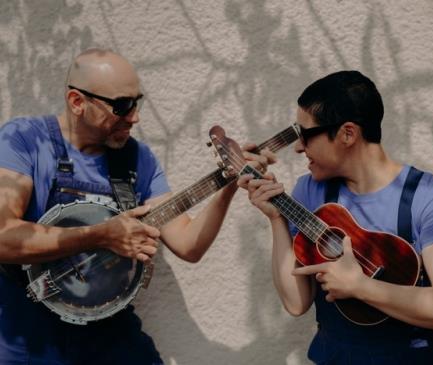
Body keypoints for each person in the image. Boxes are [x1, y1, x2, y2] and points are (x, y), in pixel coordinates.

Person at [0, 48, 270, 364]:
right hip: (27, 337)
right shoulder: (25, 141)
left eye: (136, 102)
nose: (135, 116)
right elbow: (4, 237)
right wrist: (101, 235)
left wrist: (228, 186)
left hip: (110, 335)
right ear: (77, 102)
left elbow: (188, 245)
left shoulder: (135, 158)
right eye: (122, 106)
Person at [240, 70, 433, 364]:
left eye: (306, 135)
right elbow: (296, 302)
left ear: (348, 133)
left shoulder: (425, 196)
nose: (298, 148)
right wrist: (276, 219)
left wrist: (360, 286)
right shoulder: (310, 192)